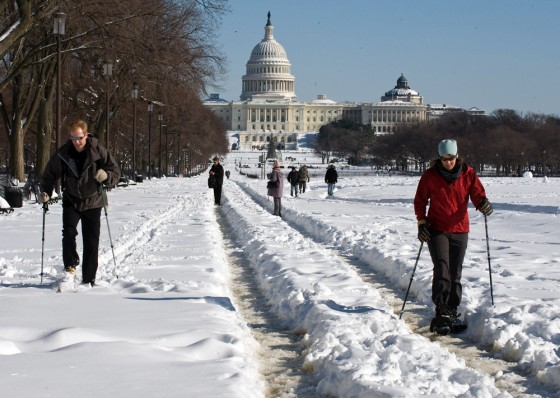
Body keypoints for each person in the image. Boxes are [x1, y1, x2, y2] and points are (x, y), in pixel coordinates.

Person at [414, 139, 493, 334]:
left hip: (460, 228)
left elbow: (477, 194)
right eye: (443, 159)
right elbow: (420, 200)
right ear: (439, 158)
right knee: (442, 267)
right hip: (437, 228)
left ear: (456, 156)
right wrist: (422, 222)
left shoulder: (468, 173)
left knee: (455, 271)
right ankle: (441, 311)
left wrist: (483, 203)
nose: (447, 162)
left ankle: (452, 309)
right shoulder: (430, 175)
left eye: (450, 158)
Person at [39, 120, 121, 286]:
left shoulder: (98, 151)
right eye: (73, 138)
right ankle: (70, 265)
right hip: (72, 199)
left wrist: (106, 176)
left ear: (86, 135)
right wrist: (45, 192)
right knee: (68, 233)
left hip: (94, 201)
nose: (77, 142)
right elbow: (49, 175)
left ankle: (89, 278)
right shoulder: (64, 153)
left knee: (91, 240)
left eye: (80, 138)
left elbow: (115, 171)